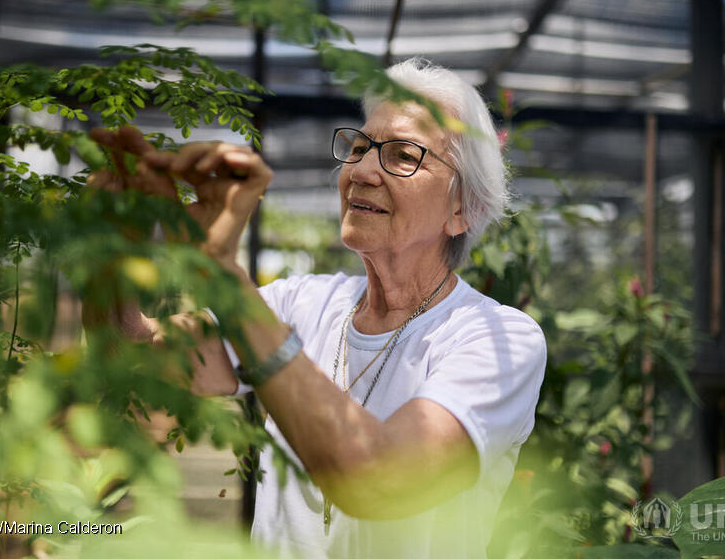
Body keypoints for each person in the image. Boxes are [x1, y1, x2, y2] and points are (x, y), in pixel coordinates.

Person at [86, 58, 547, 559]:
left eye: (403, 155)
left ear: (463, 208)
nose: (363, 171)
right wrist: (111, 253)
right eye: (359, 147)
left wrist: (222, 277)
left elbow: (381, 480)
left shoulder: (496, 340)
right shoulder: (300, 303)